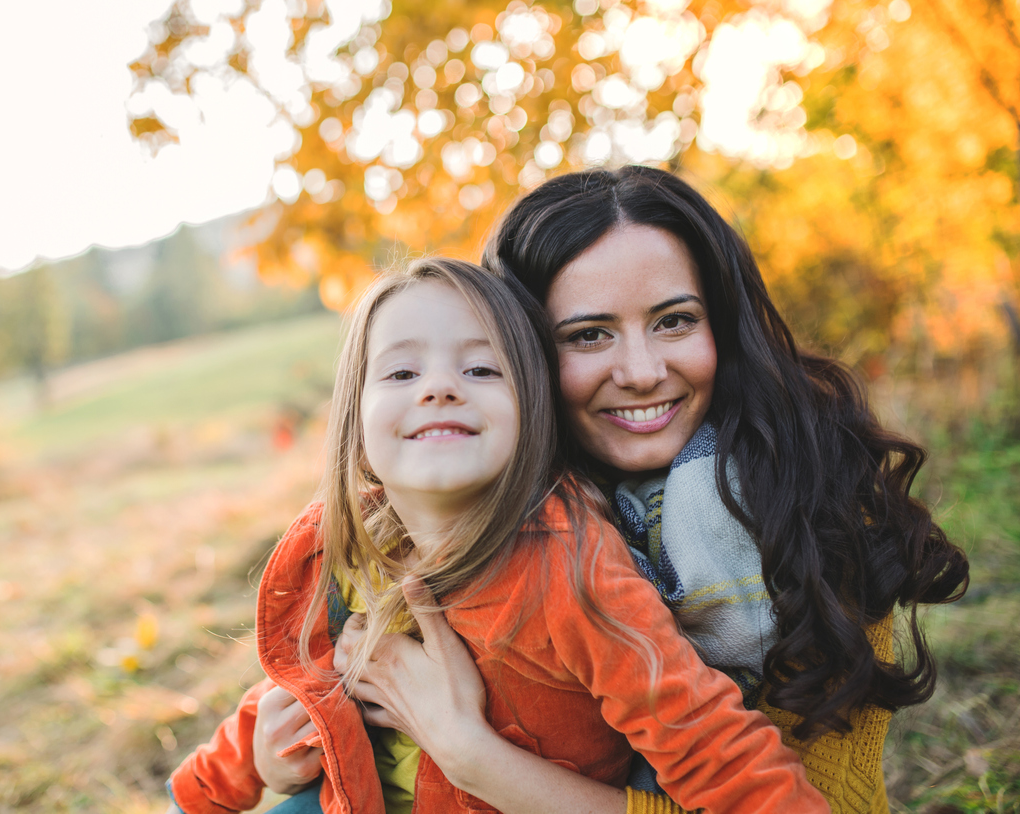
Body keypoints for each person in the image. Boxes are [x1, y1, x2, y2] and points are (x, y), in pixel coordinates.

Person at [255, 166, 970, 814]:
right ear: (520, 357)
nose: (640, 370)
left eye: (675, 321)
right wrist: (282, 749)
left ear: (724, 324)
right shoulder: (484, 506)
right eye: (589, 335)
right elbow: (348, 649)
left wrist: (470, 754)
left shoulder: (809, 505)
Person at [164, 258, 830, 814]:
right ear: (355, 426)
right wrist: (218, 780)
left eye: (481, 370)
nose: (440, 388)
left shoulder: (569, 569)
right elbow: (304, 684)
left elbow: (708, 739)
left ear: (531, 412)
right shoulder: (346, 548)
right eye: (401, 373)